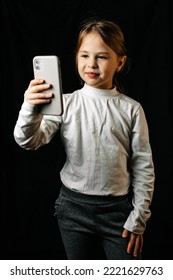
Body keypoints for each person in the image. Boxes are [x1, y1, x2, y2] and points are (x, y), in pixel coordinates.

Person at [13, 18, 155, 260]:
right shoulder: (65, 103)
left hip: (118, 213)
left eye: (102, 56)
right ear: (76, 58)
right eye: (84, 55)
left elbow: (143, 166)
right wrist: (30, 106)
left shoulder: (131, 109)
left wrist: (138, 217)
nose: (91, 63)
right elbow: (29, 141)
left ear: (120, 62)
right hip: (72, 208)